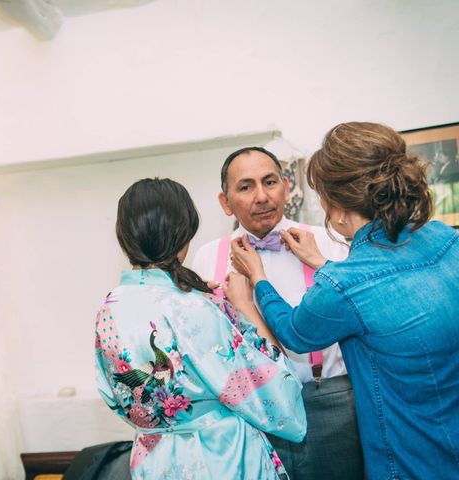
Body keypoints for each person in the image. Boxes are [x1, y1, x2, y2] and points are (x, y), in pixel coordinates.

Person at [230, 122, 459, 479]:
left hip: (410, 456)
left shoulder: (345, 283)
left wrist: (257, 279)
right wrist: (323, 264)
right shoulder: (444, 239)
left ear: (336, 205)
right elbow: (381, 292)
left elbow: (294, 332)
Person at [95, 178, 306, 479]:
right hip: (218, 455)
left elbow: (113, 393)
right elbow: (269, 390)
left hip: (153, 458)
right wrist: (240, 310)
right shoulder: (194, 308)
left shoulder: (109, 309)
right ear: (184, 233)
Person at [192, 146, 364, 480]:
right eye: (245, 187)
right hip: (249, 411)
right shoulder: (206, 257)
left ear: (286, 187)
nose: (261, 196)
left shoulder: (328, 243)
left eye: (269, 182)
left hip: (327, 403)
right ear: (225, 202)